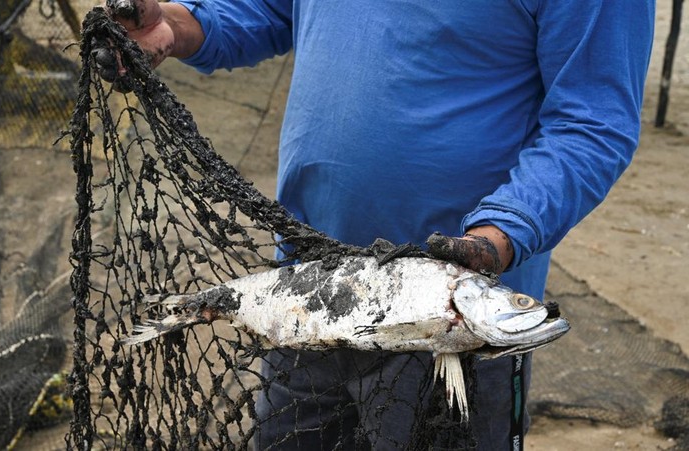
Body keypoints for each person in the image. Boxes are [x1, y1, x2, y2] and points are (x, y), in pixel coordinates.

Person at [102, 1, 655, 449]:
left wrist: (499, 236)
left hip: (449, 324)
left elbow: (592, 123)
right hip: (306, 289)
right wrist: (175, 26)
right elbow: (269, 10)